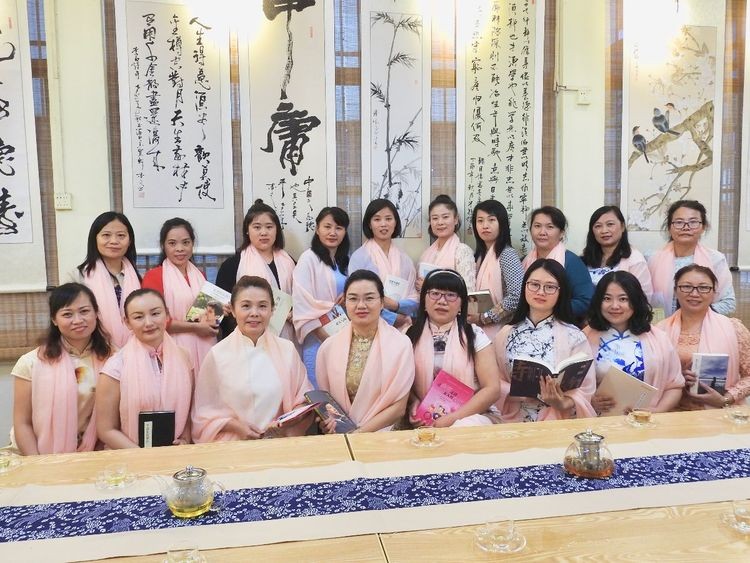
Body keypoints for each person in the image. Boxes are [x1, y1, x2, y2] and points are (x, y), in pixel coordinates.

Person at [192, 276, 312, 442]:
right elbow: (203, 415)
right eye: (246, 306)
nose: (254, 313)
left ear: (272, 310)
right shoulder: (217, 355)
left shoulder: (287, 350)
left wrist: (286, 425)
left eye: (262, 306)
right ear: (233, 310)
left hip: (278, 445)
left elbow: (304, 400)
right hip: (233, 446)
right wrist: (236, 426)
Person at [12, 284, 112, 455]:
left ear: (96, 313)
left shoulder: (114, 359)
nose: (78, 320)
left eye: (84, 311)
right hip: (39, 453)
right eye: (67, 314)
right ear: (54, 320)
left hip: (98, 452)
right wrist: (38, 463)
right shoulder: (30, 363)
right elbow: (22, 423)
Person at [495, 259, 596, 422]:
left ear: (561, 292)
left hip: (556, 419)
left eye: (550, 287)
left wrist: (561, 403)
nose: (540, 292)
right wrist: (519, 394)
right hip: (511, 418)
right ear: (525, 286)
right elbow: (493, 382)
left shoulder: (575, 336)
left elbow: (586, 389)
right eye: (534, 284)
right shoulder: (506, 333)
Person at [316, 270, 414, 432]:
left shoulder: (401, 345)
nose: (361, 305)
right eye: (353, 298)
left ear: (382, 302)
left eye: (369, 298)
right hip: (341, 437)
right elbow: (327, 403)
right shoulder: (328, 348)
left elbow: (399, 408)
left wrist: (359, 434)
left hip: (384, 436)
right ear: (345, 303)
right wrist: (327, 423)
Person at [96, 289, 193, 449]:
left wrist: (184, 439)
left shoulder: (184, 357)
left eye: (155, 313)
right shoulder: (115, 367)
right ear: (127, 322)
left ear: (167, 314)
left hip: (177, 453)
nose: (148, 323)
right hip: (130, 455)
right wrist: (142, 455)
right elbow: (106, 430)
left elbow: (189, 411)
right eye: (138, 317)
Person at [407, 269, 502, 427]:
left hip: (471, 415)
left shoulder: (474, 335)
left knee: (463, 427)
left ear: (461, 304)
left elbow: (492, 389)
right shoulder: (409, 336)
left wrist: (453, 418)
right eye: (435, 293)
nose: (442, 301)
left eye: (451, 295)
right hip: (424, 416)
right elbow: (402, 383)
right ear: (423, 300)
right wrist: (414, 402)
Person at [584, 272, 683, 415]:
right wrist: (589, 401)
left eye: (623, 299)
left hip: (646, 421)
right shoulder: (583, 338)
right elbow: (573, 390)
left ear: (636, 301)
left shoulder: (660, 339)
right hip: (598, 422)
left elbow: (674, 386)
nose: (615, 306)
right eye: (607, 298)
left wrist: (656, 411)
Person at [657, 265, 750, 410]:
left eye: (703, 288)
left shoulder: (733, 328)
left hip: (720, 413)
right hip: (669, 412)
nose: (694, 293)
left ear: (713, 293)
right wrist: (676, 378)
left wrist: (726, 399)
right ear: (675, 291)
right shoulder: (659, 331)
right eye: (686, 287)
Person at [215, 200, 297, 342]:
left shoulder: (289, 262)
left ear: (277, 230)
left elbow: (300, 299)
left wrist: (296, 313)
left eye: (269, 227)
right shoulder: (232, 265)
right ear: (247, 230)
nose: (263, 232)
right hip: (245, 340)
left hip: (285, 339)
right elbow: (219, 312)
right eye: (257, 227)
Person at [142, 218, 217, 371]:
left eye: (185, 242)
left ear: (192, 244)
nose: (180, 248)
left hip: (206, 346)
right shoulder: (154, 276)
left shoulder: (200, 275)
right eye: (172, 243)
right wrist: (195, 328)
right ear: (163, 246)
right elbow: (155, 321)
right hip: (172, 349)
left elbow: (204, 315)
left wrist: (217, 313)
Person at [292, 207, 350, 386]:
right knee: (318, 389)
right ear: (317, 229)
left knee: (339, 388)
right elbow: (303, 305)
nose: (333, 232)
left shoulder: (343, 261)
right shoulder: (308, 259)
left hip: (341, 333)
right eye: (327, 227)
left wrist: (348, 296)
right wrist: (326, 339)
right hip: (317, 337)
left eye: (339, 228)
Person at [649, 200, 735, 316]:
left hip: (703, 325)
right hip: (661, 325)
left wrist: (692, 315)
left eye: (693, 222)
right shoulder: (652, 259)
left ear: (703, 227)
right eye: (679, 222)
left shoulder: (716, 259)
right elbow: (643, 300)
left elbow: (728, 303)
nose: (686, 227)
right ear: (669, 227)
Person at [69, 211, 141, 348]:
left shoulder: (137, 277)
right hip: (92, 348)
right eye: (106, 235)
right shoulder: (77, 277)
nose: (114, 241)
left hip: (135, 349)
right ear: (95, 239)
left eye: (121, 235)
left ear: (130, 241)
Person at [349, 199, 418, 328]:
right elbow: (356, 297)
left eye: (388, 219)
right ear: (369, 224)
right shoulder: (359, 257)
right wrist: (393, 318)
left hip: (403, 326)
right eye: (377, 219)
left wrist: (396, 306)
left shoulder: (405, 259)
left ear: (395, 222)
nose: (383, 224)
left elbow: (414, 297)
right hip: (369, 326)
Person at [522, 206, 593, 323]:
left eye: (550, 227)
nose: (542, 232)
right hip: (526, 323)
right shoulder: (524, 261)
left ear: (561, 233)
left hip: (561, 325)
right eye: (537, 226)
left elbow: (585, 300)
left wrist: (549, 308)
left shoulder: (571, 262)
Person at [469, 199, 524, 339]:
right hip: (478, 330)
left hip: (503, 330)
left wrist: (485, 317)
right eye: (480, 221)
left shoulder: (507, 254)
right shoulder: (478, 256)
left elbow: (517, 296)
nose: (485, 226)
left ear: (502, 224)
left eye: (491, 220)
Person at [581, 206, 653, 300]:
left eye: (610, 224)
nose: (604, 230)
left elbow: (644, 297)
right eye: (598, 226)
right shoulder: (584, 257)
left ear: (622, 227)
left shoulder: (635, 259)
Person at [417, 195, 476, 292]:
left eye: (445, 217)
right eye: (435, 218)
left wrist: (430, 287)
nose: (440, 222)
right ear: (430, 222)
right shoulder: (426, 254)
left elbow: (468, 290)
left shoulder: (462, 251)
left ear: (455, 219)